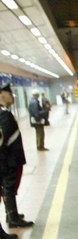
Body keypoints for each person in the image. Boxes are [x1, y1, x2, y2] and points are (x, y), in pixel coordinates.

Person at [0, 85, 34, 228]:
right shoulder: (4, 115)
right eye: (10, 94)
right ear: (2, 95)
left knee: (11, 186)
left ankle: (12, 213)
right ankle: (12, 217)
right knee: (9, 186)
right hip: (10, 160)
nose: (13, 97)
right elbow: (3, 141)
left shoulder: (5, 113)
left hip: (11, 159)